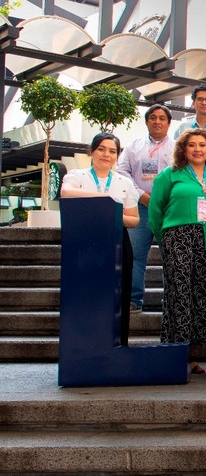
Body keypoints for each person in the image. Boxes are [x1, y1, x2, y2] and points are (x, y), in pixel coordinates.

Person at [148, 128, 206, 375]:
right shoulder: (170, 174)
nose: (197, 149)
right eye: (192, 145)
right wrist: (165, 239)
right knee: (179, 294)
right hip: (178, 239)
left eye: (202, 145)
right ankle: (176, 353)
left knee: (205, 295)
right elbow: (155, 210)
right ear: (183, 149)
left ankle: (199, 353)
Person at [62, 132, 140, 343]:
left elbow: (134, 220)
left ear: (118, 155)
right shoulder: (78, 176)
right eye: (101, 149)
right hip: (85, 242)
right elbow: (67, 192)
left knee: (117, 296)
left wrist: (112, 214)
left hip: (116, 241)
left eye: (112, 151)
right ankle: (82, 344)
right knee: (85, 294)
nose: (107, 155)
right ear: (91, 151)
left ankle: (117, 344)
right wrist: (105, 200)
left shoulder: (125, 182)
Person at [116, 104, 174, 313]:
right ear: (147, 122)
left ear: (169, 123)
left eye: (162, 118)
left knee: (173, 258)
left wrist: (162, 199)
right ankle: (133, 300)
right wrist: (141, 194)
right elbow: (122, 171)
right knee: (135, 255)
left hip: (168, 210)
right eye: (153, 118)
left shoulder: (178, 147)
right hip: (139, 208)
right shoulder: (134, 146)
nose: (157, 121)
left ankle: (172, 301)